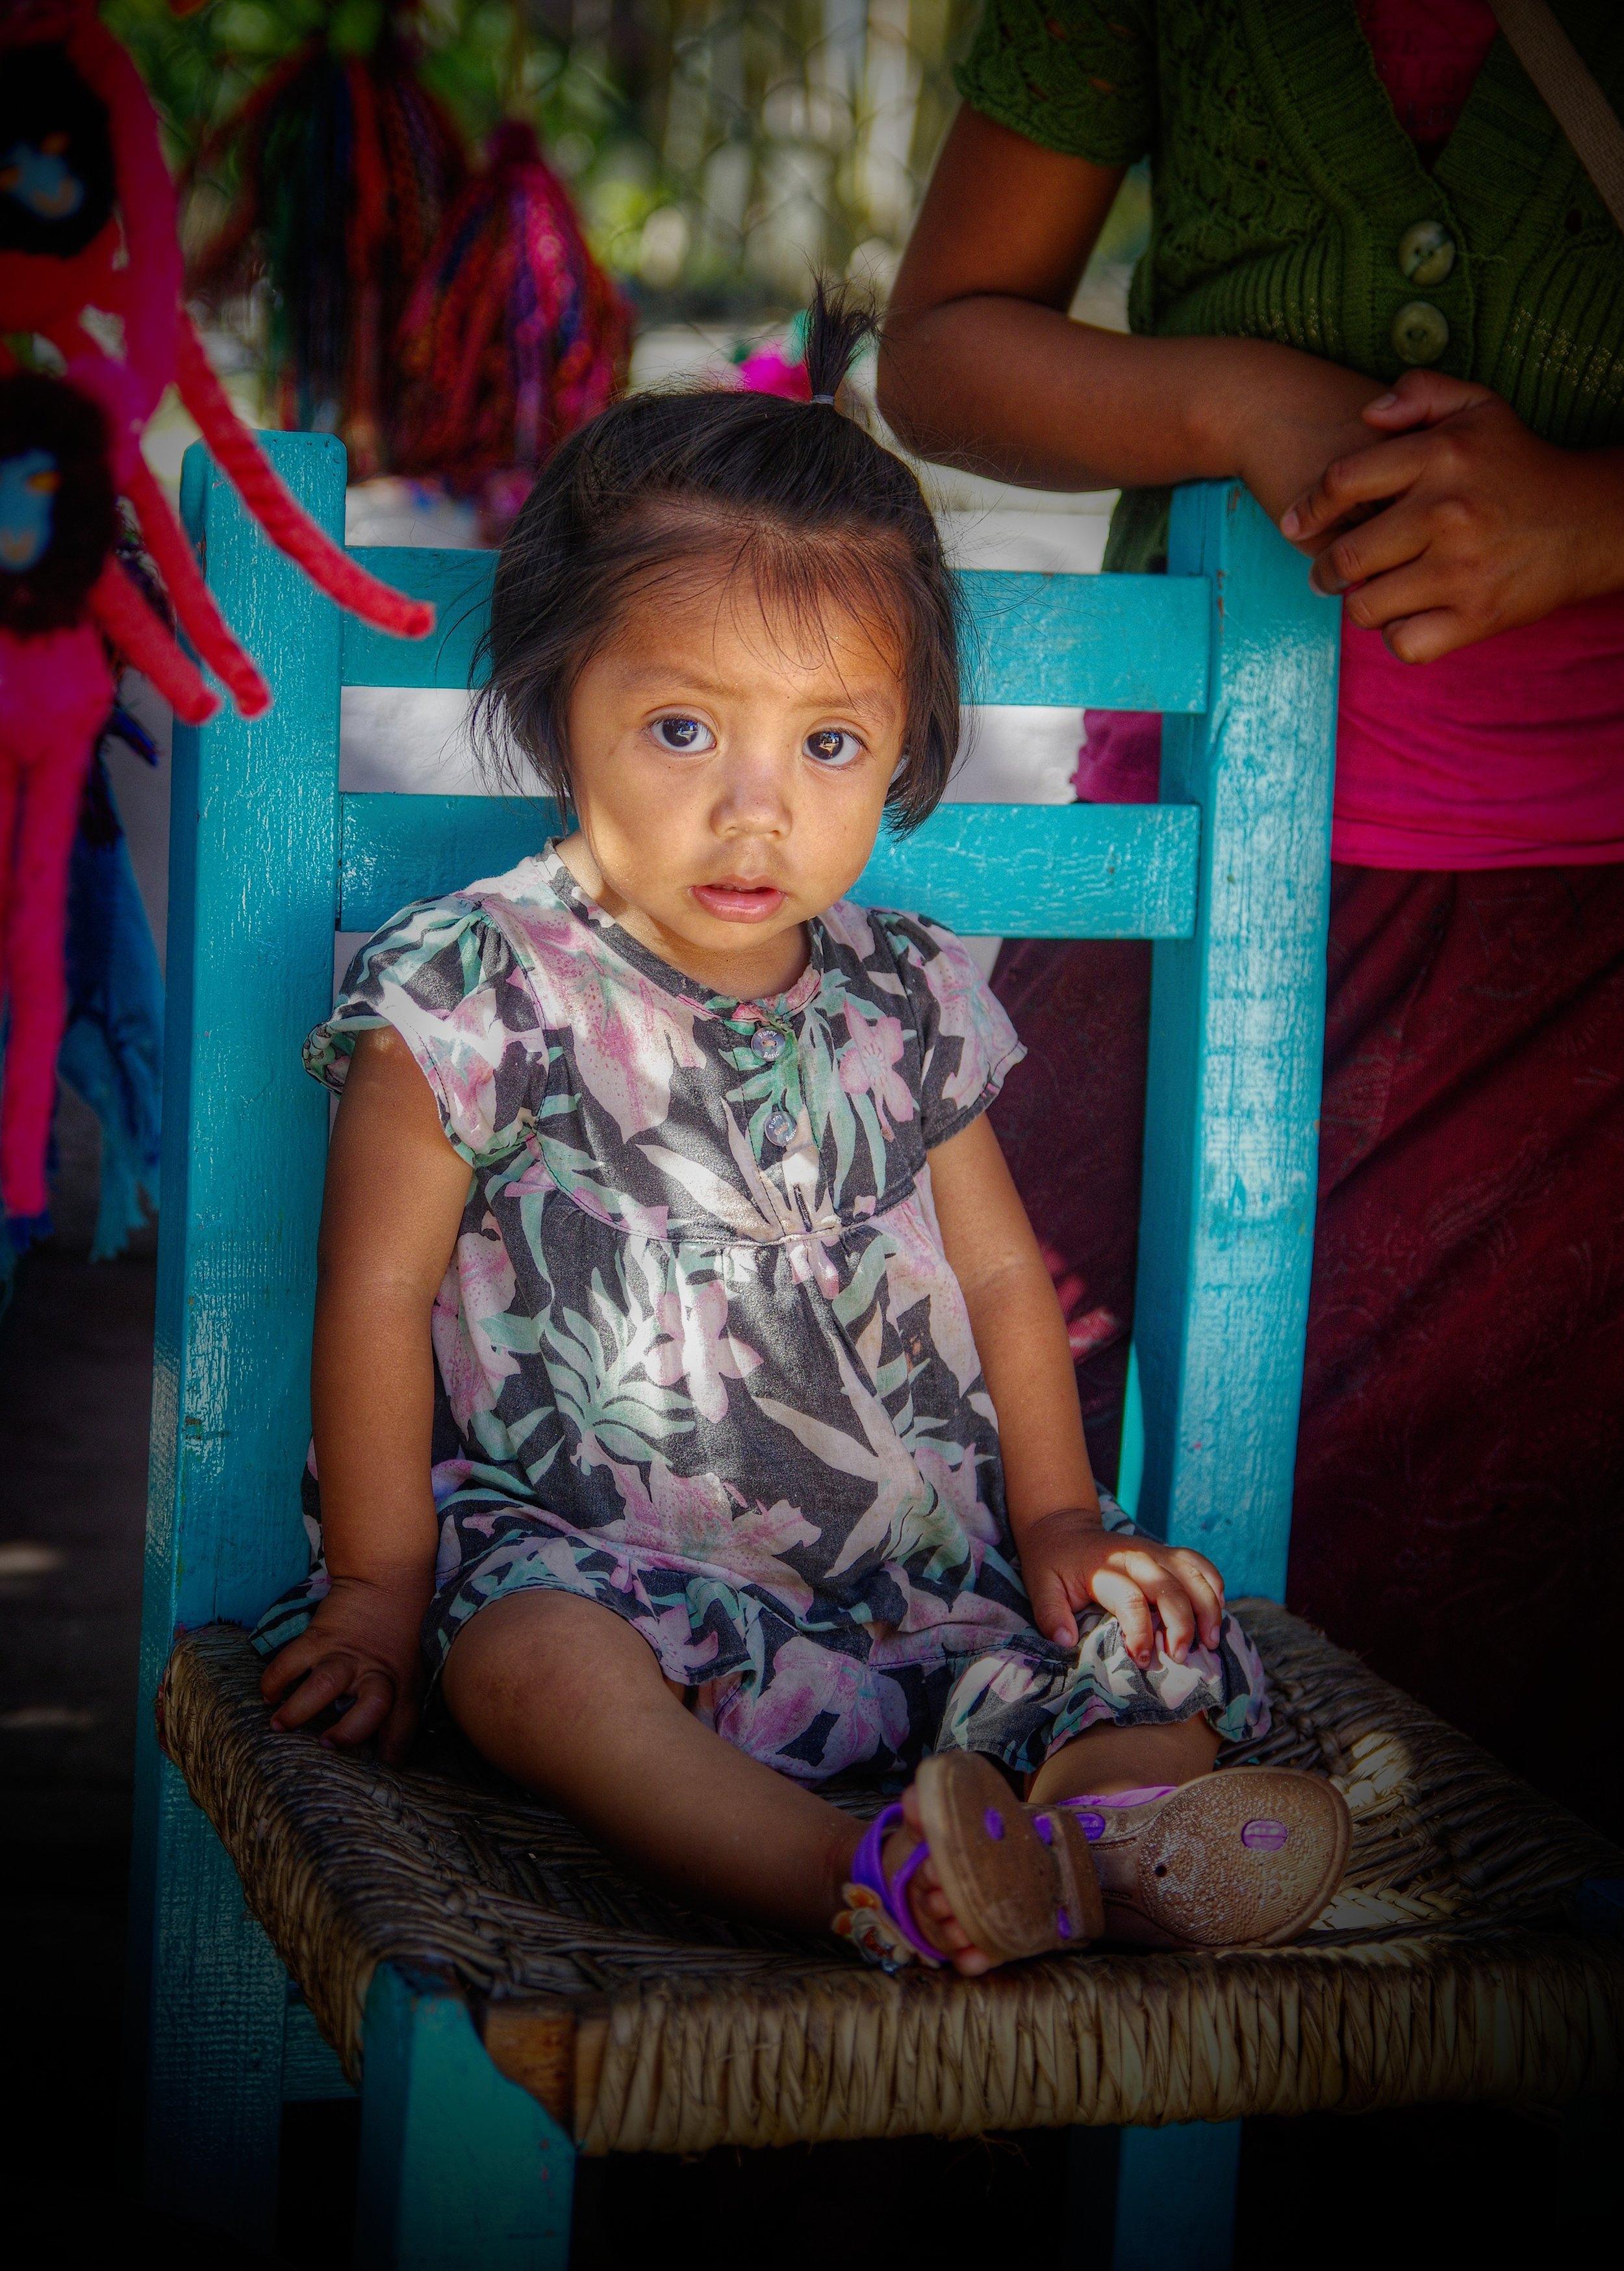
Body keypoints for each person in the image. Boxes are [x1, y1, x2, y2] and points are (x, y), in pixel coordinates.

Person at [249, 290, 1347, 1973]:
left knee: (1146, 1634)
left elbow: (995, 1274)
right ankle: (859, 1878)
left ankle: (1104, 1840)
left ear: (904, 747)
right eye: (683, 726)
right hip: (603, 1571)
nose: (754, 805)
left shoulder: (903, 992)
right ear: (557, 710)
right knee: (531, 1673)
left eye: (828, 741)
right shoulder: (473, 989)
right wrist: (380, 1596)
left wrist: (1057, 1520)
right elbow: (379, 1297)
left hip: (915, 1585)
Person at [877, 0, 1624, 1833]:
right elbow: (943, 347)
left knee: (1486, 1683)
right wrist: (1230, 400)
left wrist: (1594, 521)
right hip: (1189, 884)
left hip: (1579, 974)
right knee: (956, 1478)